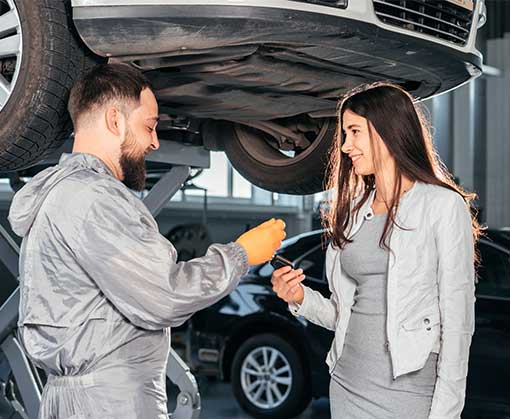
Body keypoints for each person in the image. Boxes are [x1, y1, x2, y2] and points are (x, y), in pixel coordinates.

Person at [8, 63, 286, 419]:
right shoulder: (94, 198)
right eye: (149, 125)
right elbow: (165, 294)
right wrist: (241, 253)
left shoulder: (61, 193)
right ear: (114, 120)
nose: (155, 141)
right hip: (111, 404)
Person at [271, 82, 484, 419]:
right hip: (347, 382)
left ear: (389, 131)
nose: (345, 145)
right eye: (345, 134)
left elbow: (458, 324)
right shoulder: (355, 211)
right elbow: (343, 315)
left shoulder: (442, 205)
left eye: (354, 132)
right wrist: (299, 298)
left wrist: (447, 412)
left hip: (408, 391)